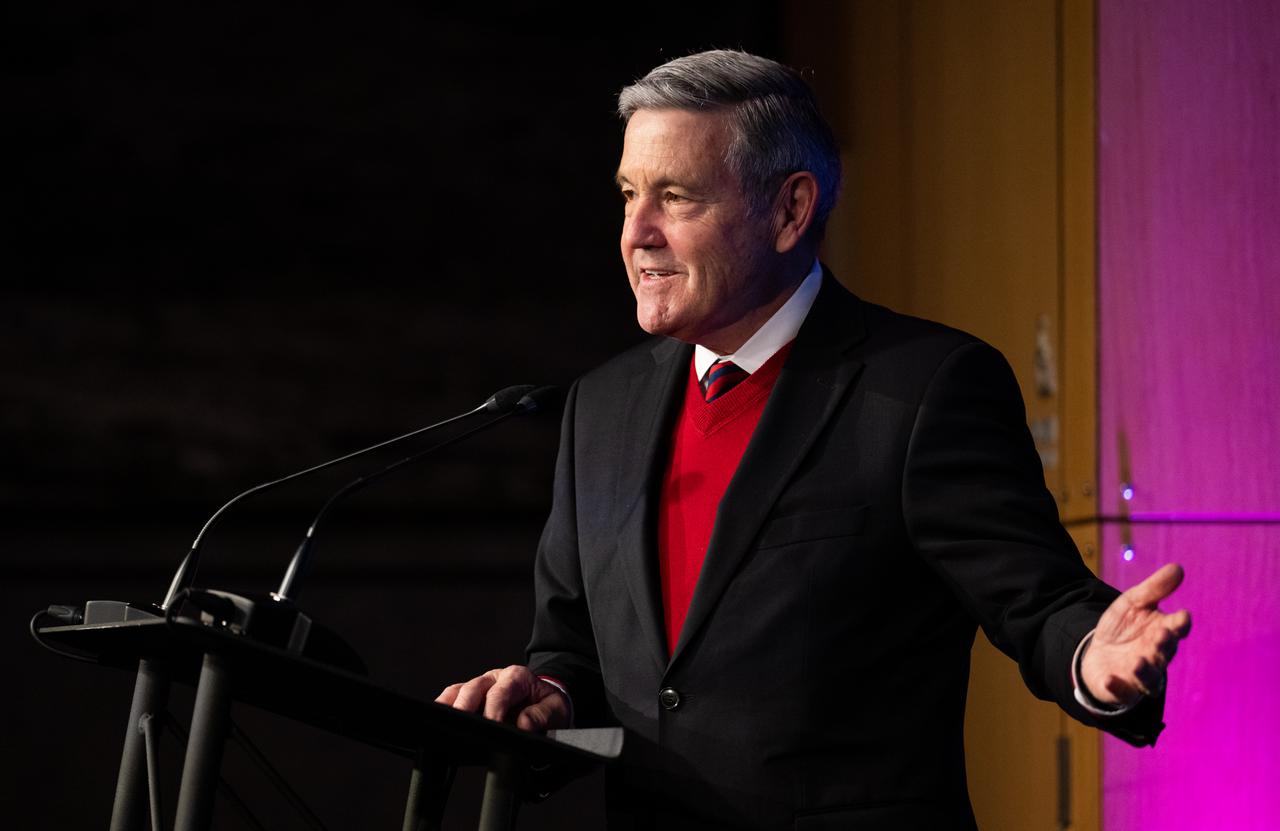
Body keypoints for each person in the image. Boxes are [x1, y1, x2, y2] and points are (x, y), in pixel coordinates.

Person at [438, 50, 1191, 829]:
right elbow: (576, 654)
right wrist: (546, 695)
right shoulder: (600, 408)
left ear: (790, 210)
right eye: (628, 195)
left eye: (676, 198)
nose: (636, 234)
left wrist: (1093, 659)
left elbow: (1039, 604)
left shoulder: (924, 388)